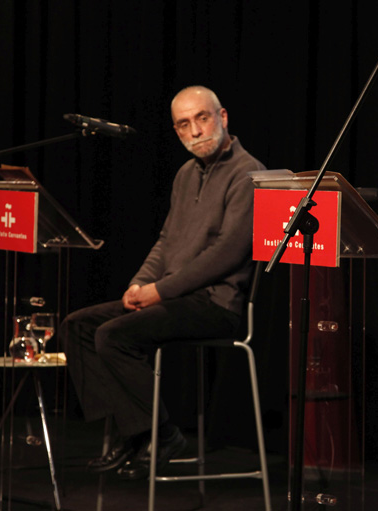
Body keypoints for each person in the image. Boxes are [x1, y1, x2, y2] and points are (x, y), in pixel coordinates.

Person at [60, 85, 265, 480]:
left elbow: (228, 254)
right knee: (78, 327)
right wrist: (140, 284)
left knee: (113, 336)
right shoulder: (186, 174)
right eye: (184, 124)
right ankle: (135, 432)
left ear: (222, 118)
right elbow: (166, 241)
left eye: (202, 118)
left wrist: (160, 291)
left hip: (213, 305)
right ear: (176, 131)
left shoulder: (249, 174)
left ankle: (161, 434)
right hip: (173, 296)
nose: (195, 131)